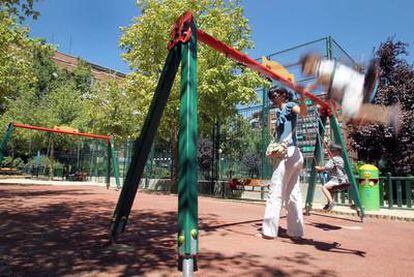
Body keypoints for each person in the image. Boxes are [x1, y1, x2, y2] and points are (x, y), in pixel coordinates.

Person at [300, 53, 401, 134]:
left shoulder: (320, 68)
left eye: (303, 68)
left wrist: (311, 87)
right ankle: (368, 87)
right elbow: (330, 88)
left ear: (310, 63)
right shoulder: (327, 63)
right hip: (354, 82)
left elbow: (326, 78)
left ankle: (389, 114)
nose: (303, 72)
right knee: (353, 118)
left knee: (352, 113)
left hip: (350, 88)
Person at [260, 86, 304, 239]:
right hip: (296, 154)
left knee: (275, 191)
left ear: (284, 95)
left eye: (274, 95)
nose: (271, 98)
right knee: (293, 193)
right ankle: (296, 232)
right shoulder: (280, 112)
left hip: (288, 154)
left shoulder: (289, 106)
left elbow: (300, 111)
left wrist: (301, 105)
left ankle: (268, 232)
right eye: (270, 96)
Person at [315, 143, 348, 211]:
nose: (330, 153)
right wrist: (321, 170)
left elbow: (326, 167)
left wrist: (319, 168)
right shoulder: (341, 159)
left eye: (332, 151)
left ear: (337, 152)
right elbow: (331, 169)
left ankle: (331, 202)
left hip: (337, 180)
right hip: (343, 179)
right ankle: (328, 203)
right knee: (330, 189)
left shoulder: (334, 159)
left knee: (324, 187)